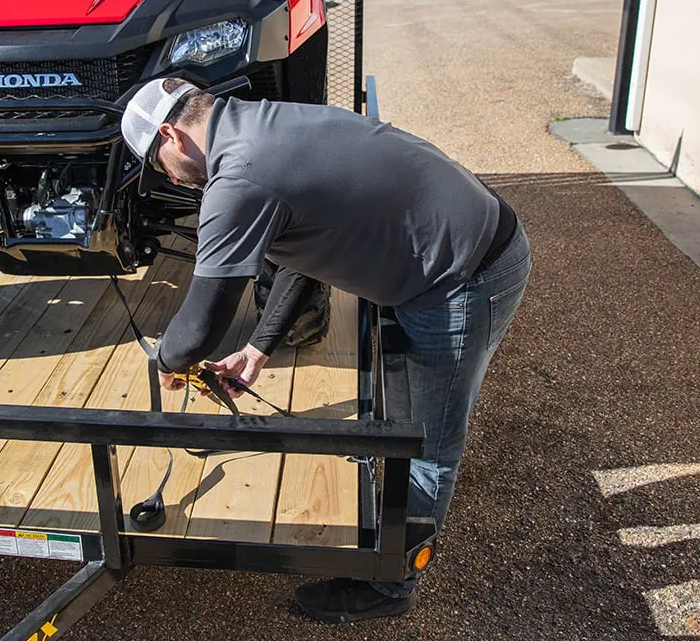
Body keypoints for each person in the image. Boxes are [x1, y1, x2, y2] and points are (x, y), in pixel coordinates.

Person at [120, 77, 532, 623]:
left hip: (463, 277)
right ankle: (395, 535)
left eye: (159, 164)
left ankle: (392, 586)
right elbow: (302, 246)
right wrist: (261, 346)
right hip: (449, 248)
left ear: (172, 134)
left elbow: (198, 324)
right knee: (403, 419)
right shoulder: (262, 123)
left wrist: (166, 361)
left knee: (425, 444)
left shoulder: (238, 175)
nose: (170, 177)